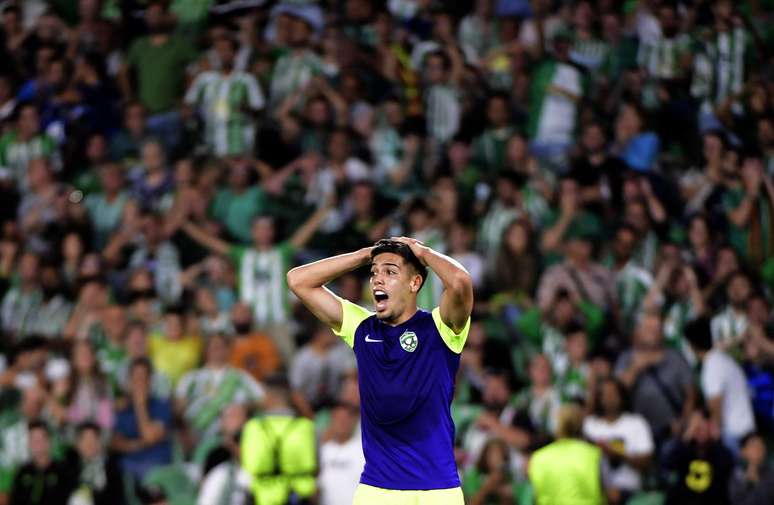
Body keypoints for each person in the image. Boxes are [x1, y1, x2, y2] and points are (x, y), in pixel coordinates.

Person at [287, 237, 474, 504]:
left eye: (390, 272)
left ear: (415, 283)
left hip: (438, 491)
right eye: (374, 272)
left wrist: (422, 252)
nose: (377, 279)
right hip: (376, 490)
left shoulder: (440, 328)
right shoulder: (362, 328)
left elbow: (460, 282)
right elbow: (298, 280)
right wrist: (366, 254)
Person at [240, 374, 317, 505]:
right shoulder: (307, 427)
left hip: (261, 498)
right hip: (300, 498)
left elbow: (247, 467)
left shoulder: (252, 428)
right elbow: (318, 469)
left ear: (269, 396)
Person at [685, 316, 755, 455]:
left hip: (734, 436)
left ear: (691, 345)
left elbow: (716, 408)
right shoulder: (721, 359)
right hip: (744, 431)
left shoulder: (712, 367)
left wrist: (714, 439)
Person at [583, 377, 654, 503]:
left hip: (629, 490)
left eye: (613, 393)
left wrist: (618, 455)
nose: (609, 398)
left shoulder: (636, 423)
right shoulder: (589, 425)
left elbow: (647, 462)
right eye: (605, 394)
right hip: (595, 490)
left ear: (621, 395)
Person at [528, 403, 604, 505]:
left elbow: (533, 495)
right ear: (581, 425)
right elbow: (609, 493)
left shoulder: (538, 457)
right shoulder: (594, 454)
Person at [9, 420, 77, 505]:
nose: (37, 443)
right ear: (28, 443)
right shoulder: (22, 472)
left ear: (49, 441)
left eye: (40, 439)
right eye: (33, 439)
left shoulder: (62, 471)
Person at [318, 402, 365, 505]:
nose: (341, 423)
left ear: (353, 421)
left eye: (345, 420)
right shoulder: (322, 451)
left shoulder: (363, 450)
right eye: (338, 419)